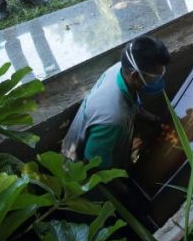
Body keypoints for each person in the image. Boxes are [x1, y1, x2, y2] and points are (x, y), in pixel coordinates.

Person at [62, 36, 170, 170]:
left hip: (102, 143)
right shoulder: (113, 118)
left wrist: (156, 121)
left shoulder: (120, 69)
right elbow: (95, 168)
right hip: (80, 171)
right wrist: (125, 188)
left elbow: (134, 105)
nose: (157, 81)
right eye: (154, 78)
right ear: (135, 76)